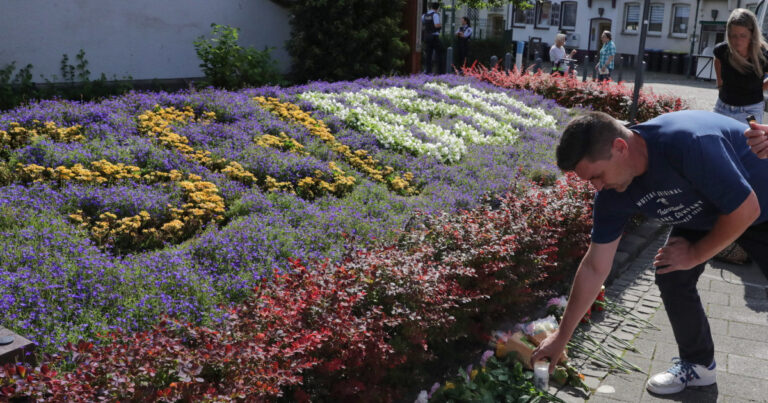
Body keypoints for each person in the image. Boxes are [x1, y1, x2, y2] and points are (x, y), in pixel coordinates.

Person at [530, 110, 768, 395]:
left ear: (620, 147)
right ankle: (698, 367)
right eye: (588, 181)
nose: (597, 187)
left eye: (597, 175)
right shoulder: (612, 194)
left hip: (758, 202)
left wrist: (694, 254)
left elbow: (745, 210)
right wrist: (560, 337)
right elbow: (595, 266)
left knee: (685, 259)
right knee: (672, 272)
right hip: (703, 210)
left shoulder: (686, 143)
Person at [713, 8, 768, 124]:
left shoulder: (763, 56)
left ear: (752, 35)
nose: (738, 41)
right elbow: (717, 60)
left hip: (750, 111)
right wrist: (719, 84)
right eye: (733, 36)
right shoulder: (723, 50)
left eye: (743, 36)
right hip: (722, 108)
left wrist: (761, 88)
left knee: (747, 142)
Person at [422, 2, 444, 75]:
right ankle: (439, 71)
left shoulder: (425, 15)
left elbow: (423, 23)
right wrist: (440, 25)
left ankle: (428, 71)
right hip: (434, 37)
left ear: (431, 7)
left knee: (428, 54)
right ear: (437, 8)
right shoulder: (435, 15)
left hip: (427, 36)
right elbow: (436, 25)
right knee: (439, 53)